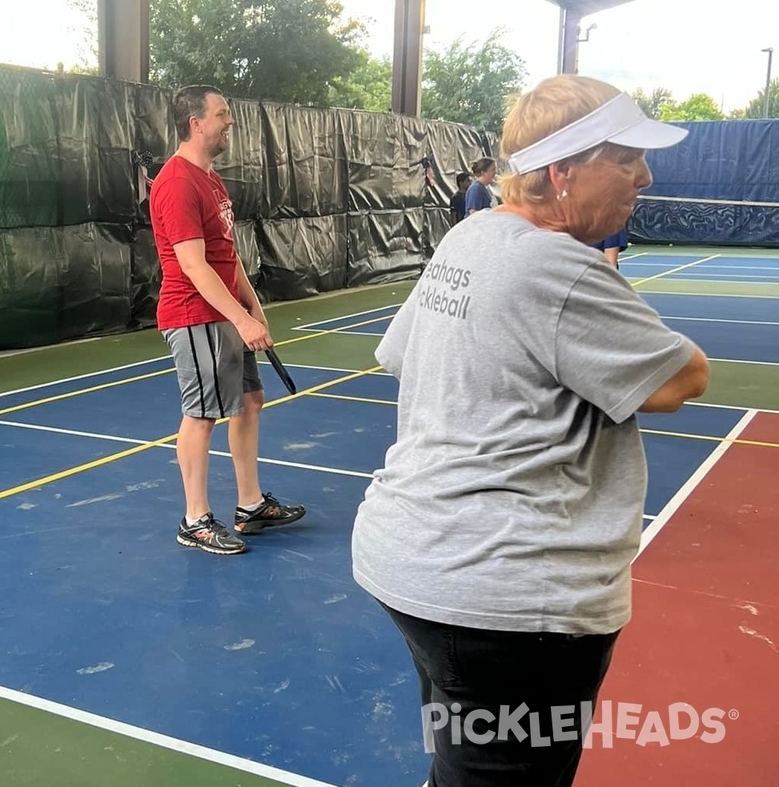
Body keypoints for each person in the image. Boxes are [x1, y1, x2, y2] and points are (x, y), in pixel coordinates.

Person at [351, 75, 709, 787]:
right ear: (562, 173)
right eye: (626, 157)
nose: (646, 174)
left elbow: (395, 353)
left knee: (465, 761)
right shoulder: (558, 266)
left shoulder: (474, 235)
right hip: (509, 601)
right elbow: (681, 378)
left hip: (420, 565)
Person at [148, 85, 305, 556]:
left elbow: (227, 258)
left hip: (227, 313)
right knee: (201, 415)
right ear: (196, 123)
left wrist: (254, 310)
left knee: (251, 399)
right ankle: (195, 520)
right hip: (195, 315)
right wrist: (239, 318)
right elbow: (194, 266)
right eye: (222, 115)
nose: (229, 122)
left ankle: (250, 505)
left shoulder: (211, 179)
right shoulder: (176, 182)